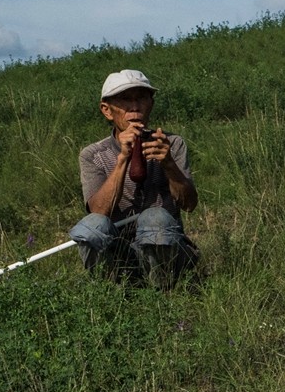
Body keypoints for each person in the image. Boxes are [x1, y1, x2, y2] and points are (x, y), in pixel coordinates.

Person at [71, 68, 200, 288]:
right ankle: (110, 293)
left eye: (141, 98)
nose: (134, 108)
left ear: (151, 104)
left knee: (155, 218)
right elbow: (99, 212)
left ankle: (163, 294)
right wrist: (123, 159)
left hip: (167, 250)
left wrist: (168, 163)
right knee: (91, 225)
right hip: (118, 253)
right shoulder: (93, 155)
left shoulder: (172, 144)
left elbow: (189, 204)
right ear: (107, 110)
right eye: (124, 100)